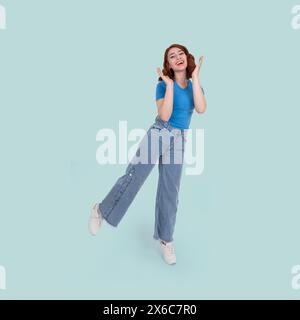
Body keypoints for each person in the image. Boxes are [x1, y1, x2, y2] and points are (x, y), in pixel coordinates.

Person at [88, 43, 207, 265]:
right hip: (160, 132)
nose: (177, 57)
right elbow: (164, 115)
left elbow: (200, 109)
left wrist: (196, 77)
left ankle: (165, 240)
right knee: (135, 176)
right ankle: (101, 210)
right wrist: (170, 85)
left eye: (180, 53)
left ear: (187, 57)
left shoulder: (194, 86)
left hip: (180, 138)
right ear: (168, 64)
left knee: (170, 190)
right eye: (172, 56)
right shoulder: (163, 85)